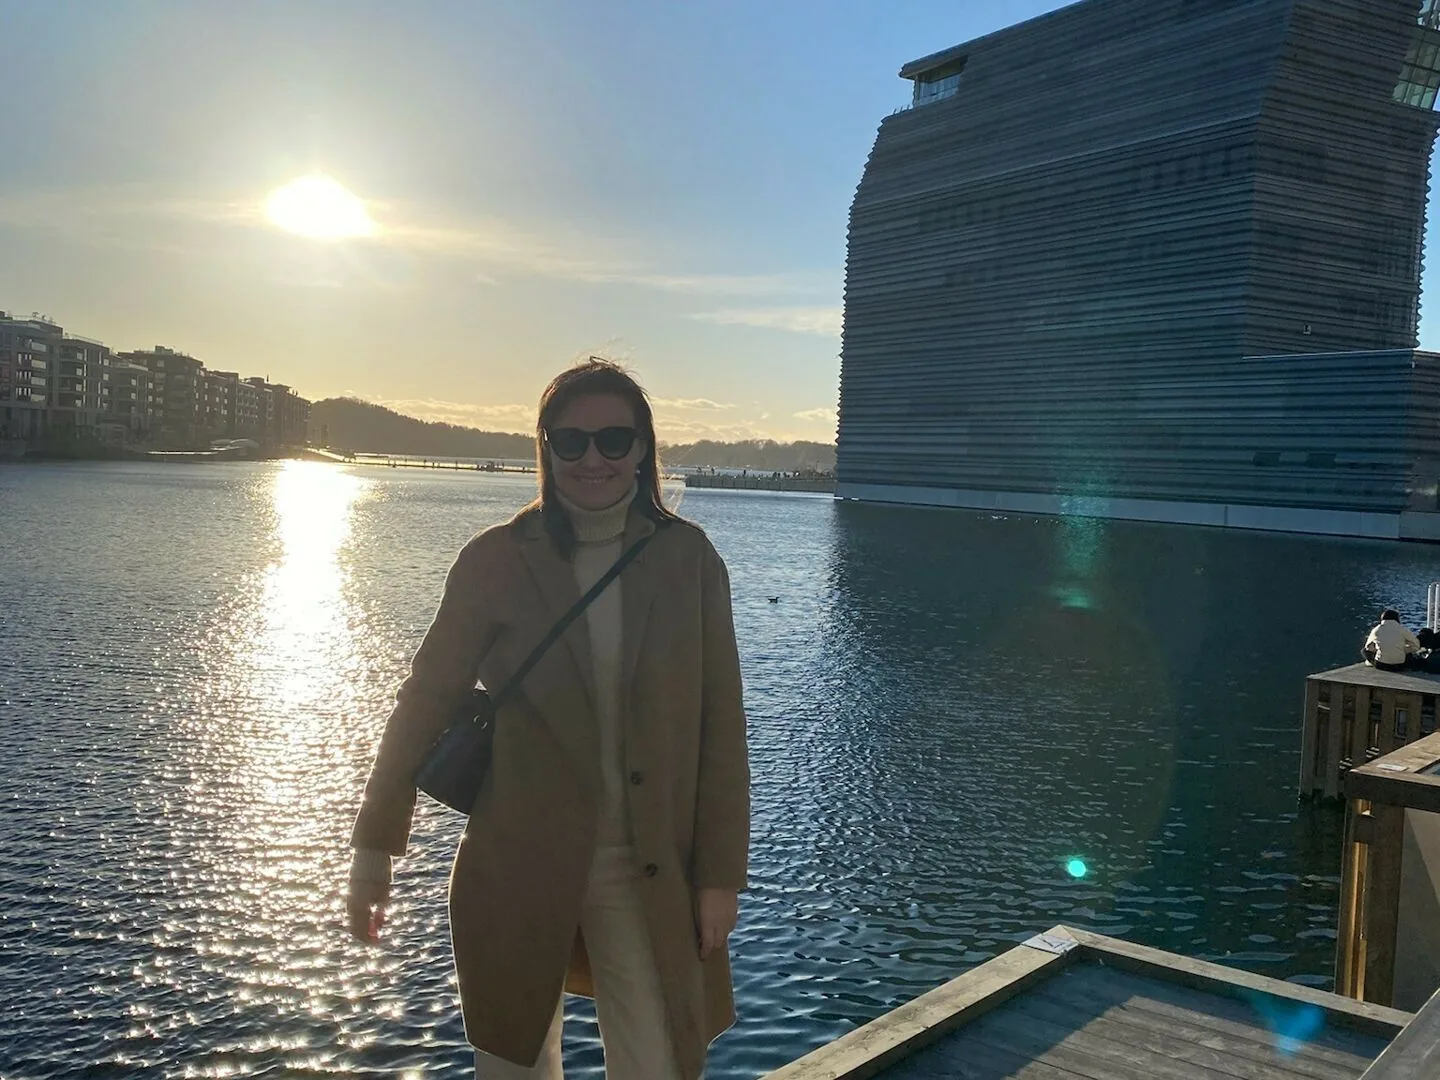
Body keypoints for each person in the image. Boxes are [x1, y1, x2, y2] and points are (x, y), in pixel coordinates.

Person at [345, 359, 750, 1079]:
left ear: (643, 450)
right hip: (516, 866)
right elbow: (423, 701)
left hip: (649, 869)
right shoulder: (494, 561)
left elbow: (722, 725)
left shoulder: (687, 560)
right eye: (571, 442)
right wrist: (374, 855)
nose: (592, 459)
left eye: (614, 440)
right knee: (514, 1068)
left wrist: (721, 877)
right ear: (545, 448)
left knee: (661, 1061)